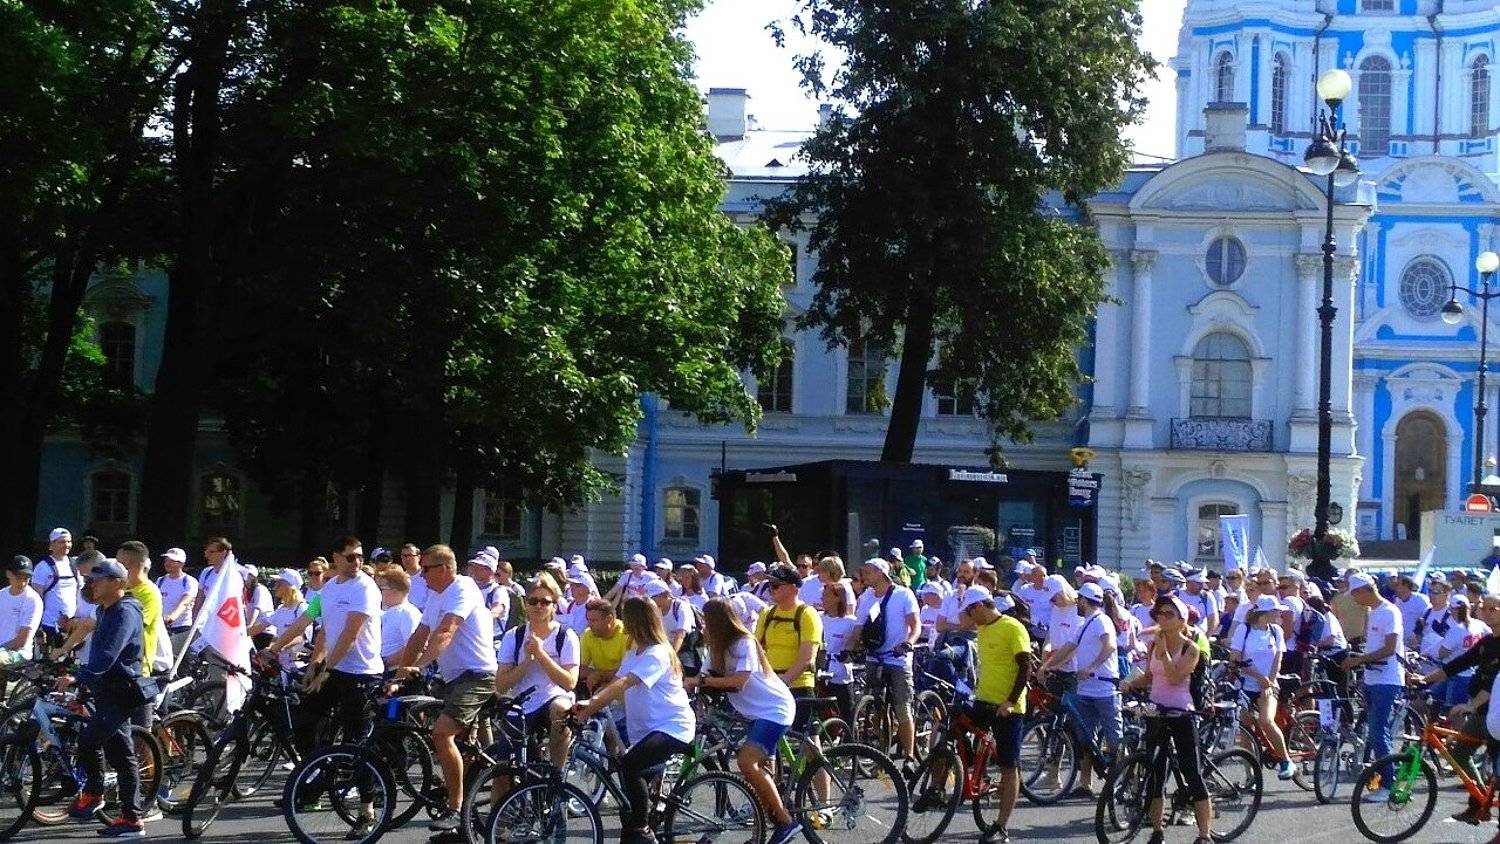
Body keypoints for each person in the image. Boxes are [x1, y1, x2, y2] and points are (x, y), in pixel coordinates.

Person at [267, 536, 383, 837]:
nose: (357, 562)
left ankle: (367, 811)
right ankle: (326, 773)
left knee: (356, 745)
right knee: (304, 723)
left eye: (360, 556)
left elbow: (350, 635)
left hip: (361, 673)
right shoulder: (329, 589)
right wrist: (277, 649)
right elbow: (311, 623)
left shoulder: (365, 588)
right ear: (336, 558)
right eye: (350, 556)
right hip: (333, 669)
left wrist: (326, 671)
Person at [391, 545, 498, 833]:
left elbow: (446, 631)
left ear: (445, 569)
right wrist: (399, 674)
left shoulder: (463, 589)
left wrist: (420, 666)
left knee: (442, 734)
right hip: (453, 678)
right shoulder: (436, 595)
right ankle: (464, 820)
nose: (421, 574)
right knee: (457, 745)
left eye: (426, 569)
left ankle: (455, 808)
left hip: (476, 676)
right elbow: (419, 635)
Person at [572, 597, 696, 844]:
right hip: (646, 731)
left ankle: (643, 830)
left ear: (636, 620)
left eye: (626, 616)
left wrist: (591, 705)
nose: (623, 621)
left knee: (630, 766)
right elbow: (614, 684)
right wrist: (586, 704)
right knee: (628, 804)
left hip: (672, 727)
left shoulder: (657, 653)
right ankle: (637, 829)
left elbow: (625, 683)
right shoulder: (634, 651)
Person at [689, 599, 802, 844]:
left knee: (746, 763)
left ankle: (786, 821)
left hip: (774, 710)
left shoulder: (744, 643)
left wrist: (702, 682)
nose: (702, 626)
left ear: (718, 622)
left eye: (705, 622)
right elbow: (702, 677)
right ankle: (761, 832)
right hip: (753, 713)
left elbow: (739, 681)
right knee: (759, 774)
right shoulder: (715, 648)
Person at [61, 560, 147, 838]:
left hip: (121, 691)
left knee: (90, 741)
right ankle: (131, 818)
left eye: (98, 580)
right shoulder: (104, 610)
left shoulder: (125, 612)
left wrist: (79, 677)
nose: (92, 585)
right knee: (119, 752)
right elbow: (97, 652)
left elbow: (108, 655)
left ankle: (96, 793)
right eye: (91, 580)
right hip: (105, 689)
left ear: (117, 583)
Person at [1120, 595, 1213, 844]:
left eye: (1168, 614)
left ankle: (1205, 835)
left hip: (1181, 713)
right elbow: (1151, 677)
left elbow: (1173, 677)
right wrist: (1129, 684)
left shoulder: (1191, 649)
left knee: (1192, 773)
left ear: (1182, 621)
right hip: (1157, 712)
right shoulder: (1154, 645)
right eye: (1159, 614)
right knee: (1155, 774)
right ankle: (1157, 831)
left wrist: (1163, 651)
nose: (1162, 618)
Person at [958, 586, 1030, 844]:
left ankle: (1001, 826)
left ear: (980, 606)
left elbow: (1025, 667)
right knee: (952, 725)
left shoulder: (1012, 627)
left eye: (969, 612)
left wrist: (1010, 701)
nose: (968, 617)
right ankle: (943, 784)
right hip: (984, 700)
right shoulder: (982, 629)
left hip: (1008, 707)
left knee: (1009, 767)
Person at [494, 572, 578, 787]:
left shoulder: (565, 636)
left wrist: (541, 655)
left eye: (545, 602)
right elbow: (501, 685)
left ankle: (557, 775)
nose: (538, 606)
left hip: (554, 697)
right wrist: (527, 661)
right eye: (533, 601)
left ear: (554, 606)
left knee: (561, 710)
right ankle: (501, 808)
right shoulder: (514, 636)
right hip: (522, 702)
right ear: (526, 603)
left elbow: (569, 682)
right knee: (501, 771)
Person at [1422, 594, 1500, 825]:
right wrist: (1424, 679)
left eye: (1493, 609)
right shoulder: (1487, 642)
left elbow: (1493, 684)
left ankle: (1484, 803)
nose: (1486, 613)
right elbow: (1458, 664)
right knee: (1459, 755)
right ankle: (1479, 803)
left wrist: (1469, 706)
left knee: (1498, 770)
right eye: (1483, 608)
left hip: (1495, 713)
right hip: (1481, 713)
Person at [849, 558, 921, 763]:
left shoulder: (903, 594)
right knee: (876, 707)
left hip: (897, 658)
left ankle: (909, 755)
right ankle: (881, 752)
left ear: (880, 572)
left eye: (867, 571)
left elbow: (915, 625)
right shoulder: (866, 597)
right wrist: (850, 648)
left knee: (902, 708)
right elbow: (858, 628)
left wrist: (908, 643)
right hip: (874, 657)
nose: (863, 575)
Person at [1342, 571, 1406, 802]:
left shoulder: (1389, 611)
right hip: (1372, 679)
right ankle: (1380, 779)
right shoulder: (1373, 611)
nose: (1354, 599)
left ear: (1363, 591)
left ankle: (1390, 785)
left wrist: (1359, 660)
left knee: (1379, 733)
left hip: (1387, 680)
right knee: (1374, 732)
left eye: (1355, 594)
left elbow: (1389, 648)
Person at [1055, 582, 1120, 795]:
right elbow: (1069, 647)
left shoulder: (1102, 621)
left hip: (1104, 688)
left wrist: (1091, 668)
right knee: (1084, 738)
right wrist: (1048, 666)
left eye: (1078, 600)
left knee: (1114, 739)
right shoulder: (1085, 624)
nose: (1076, 604)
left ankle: (1122, 781)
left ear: (1084, 600)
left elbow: (1110, 646)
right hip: (1086, 688)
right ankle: (1085, 783)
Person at [752, 566, 823, 729]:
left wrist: (784, 680)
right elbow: (755, 648)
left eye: (775, 585)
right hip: (771, 683)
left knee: (804, 736)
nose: (770, 589)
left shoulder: (807, 614)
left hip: (799, 684)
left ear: (792, 588)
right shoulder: (767, 614)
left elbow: (807, 658)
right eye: (769, 585)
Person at [1233, 594, 1294, 780]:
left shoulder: (1276, 631)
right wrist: (1259, 677)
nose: (1280, 615)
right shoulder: (1244, 630)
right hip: (1246, 684)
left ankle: (1286, 760)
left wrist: (1269, 681)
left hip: (1269, 685)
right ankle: (1251, 774)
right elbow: (1235, 660)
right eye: (1277, 611)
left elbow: (1278, 660)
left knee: (1266, 721)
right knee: (1245, 728)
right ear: (1265, 613)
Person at [579, 597, 629, 752]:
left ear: (609, 619)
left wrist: (599, 675)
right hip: (603, 693)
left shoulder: (626, 634)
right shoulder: (588, 635)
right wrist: (597, 674)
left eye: (594, 620)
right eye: (588, 620)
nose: (589, 624)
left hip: (626, 696)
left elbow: (627, 674)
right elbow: (580, 669)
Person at [1437, 594, 1491, 708]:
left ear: (1453, 610)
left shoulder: (1456, 630)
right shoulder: (1479, 625)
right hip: (1471, 675)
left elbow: (1442, 653)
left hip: (1454, 675)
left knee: (1452, 710)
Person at [249, 569, 310, 664]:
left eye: (279, 584)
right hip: (281, 662)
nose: (274, 587)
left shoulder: (302, 608)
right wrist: (238, 634)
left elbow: (301, 638)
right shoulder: (281, 609)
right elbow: (262, 626)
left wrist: (275, 649)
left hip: (297, 664)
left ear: (289, 587)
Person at [821, 580, 859, 725]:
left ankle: (851, 736)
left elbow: (858, 644)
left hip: (841, 674)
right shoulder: (818, 618)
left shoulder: (850, 622)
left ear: (838, 598)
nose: (822, 599)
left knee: (847, 714)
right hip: (821, 673)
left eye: (826, 595)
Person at [33, 527, 78, 648]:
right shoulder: (42, 567)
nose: (66, 545)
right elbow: (36, 598)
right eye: (62, 542)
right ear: (52, 544)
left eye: (69, 541)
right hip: (49, 625)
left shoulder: (75, 564)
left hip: (72, 626)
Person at [375, 569, 422, 664]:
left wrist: (387, 663)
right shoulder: (387, 611)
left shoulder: (407, 613)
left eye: (381, 589)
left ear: (395, 591)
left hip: (392, 668)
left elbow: (414, 647)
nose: (378, 592)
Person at [0, 557, 41, 663]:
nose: (22, 583)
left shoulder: (33, 600)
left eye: (26, 578)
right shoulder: (2, 594)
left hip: (19, 654)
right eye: (18, 577)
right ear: (8, 574)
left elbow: (21, 641)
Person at [157, 548, 197, 655]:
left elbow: (185, 602)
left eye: (172, 561)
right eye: (166, 560)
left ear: (181, 563)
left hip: (182, 628)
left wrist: (172, 617)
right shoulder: (160, 581)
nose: (167, 563)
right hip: (163, 628)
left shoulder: (189, 581)